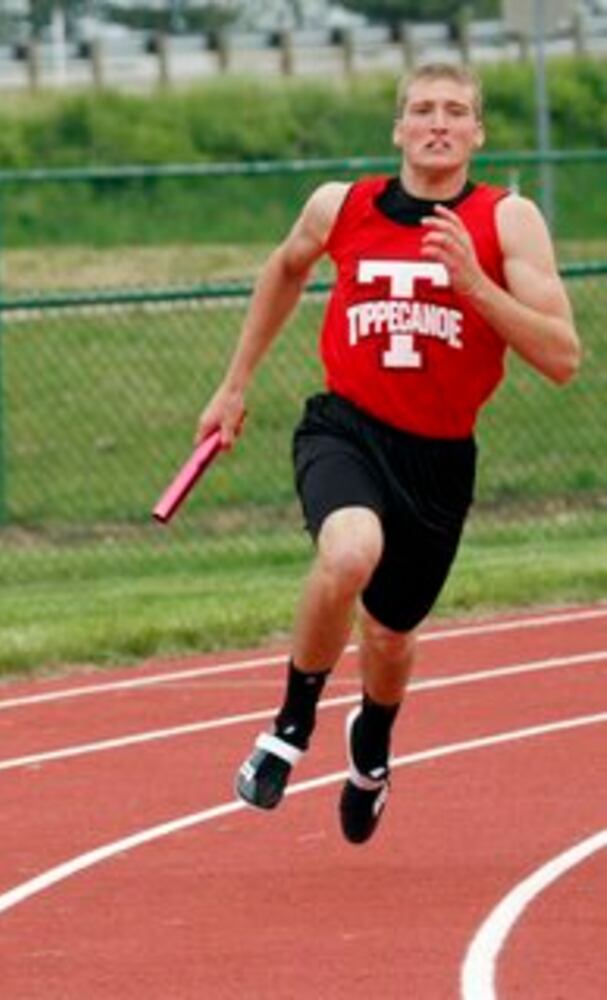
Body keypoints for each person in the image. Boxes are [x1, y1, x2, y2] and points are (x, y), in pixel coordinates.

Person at [197, 63, 579, 844]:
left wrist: (473, 284)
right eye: (421, 110)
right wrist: (233, 384)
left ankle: (370, 742)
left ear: (476, 133)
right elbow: (283, 267)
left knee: (391, 637)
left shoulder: (508, 222)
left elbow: (561, 355)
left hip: (436, 459)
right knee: (347, 554)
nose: (437, 123)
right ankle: (290, 725)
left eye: (455, 112)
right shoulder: (343, 205)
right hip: (345, 428)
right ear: (398, 127)